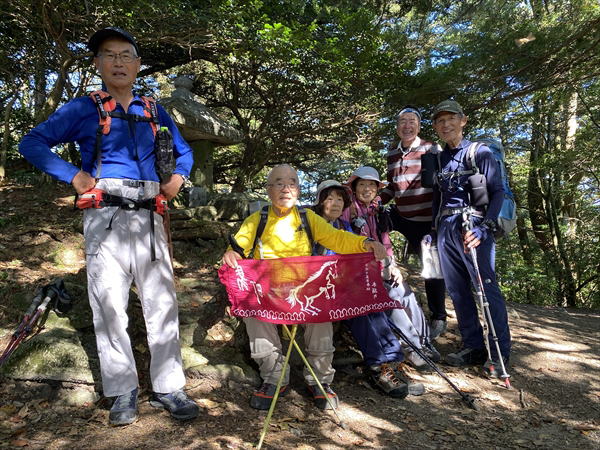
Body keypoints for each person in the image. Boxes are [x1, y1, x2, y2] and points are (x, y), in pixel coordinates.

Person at [19, 27, 199, 426]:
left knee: (162, 302)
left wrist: (177, 179)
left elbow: (184, 152)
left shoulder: (154, 110)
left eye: (125, 55)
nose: (118, 62)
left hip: (150, 213)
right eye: (110, 55)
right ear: (98, 64)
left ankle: (170, 387)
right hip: (105, 214)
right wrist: (73, 175)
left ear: (137, 64)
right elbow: (31, 143)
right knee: (109, 303)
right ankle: (122, 390)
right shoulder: (84, 108)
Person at [222, 165, 387, 411]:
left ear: (298, 190)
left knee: (320, 318)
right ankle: (274, 378)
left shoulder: (308, 218)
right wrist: (232, 253)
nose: (285, 189)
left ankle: (320, 381)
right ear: (269, 190)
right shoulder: (258, 219)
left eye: (291, 183)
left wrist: (366, 243)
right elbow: (238, 246)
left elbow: (337, 239)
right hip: (268, 291)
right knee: (254, 317)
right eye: (279, 183)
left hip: (304, 288)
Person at [312, 180, 425, 399]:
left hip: (348, 286)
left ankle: (394, 362)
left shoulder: (344, 227)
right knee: (359, 312)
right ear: (320, 202)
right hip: (324, 290)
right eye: (329, 198)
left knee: (374, 305)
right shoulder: (312, 226)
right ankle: (377, 367)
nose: (335, 203)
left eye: (340, 199)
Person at [428, 99, 511, 376]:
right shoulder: (438, 159)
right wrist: (433, 231)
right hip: (446, 228)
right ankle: (473, 346)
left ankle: (499, 354)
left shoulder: (479, 152)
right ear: (436, 127)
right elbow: (437, 198)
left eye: (451, 118)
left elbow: (497, 192)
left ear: (463, 121)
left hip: (473, 225)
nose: (446, 124)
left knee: (486, 289)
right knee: (458, 291)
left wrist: (485, 227)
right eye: (440, 121)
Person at [341, 168, 440, 370]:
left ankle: (424, 342)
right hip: (362, 272)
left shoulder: (377, 211)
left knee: (405, 293)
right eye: (362, 184)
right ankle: (413, 348)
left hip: (382, 267)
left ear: (377, 189)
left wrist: (392, 265)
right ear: (354, 188)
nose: (367, 189)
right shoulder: (348, 210)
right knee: (391, 298)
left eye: (371, 185)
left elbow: (385, 242)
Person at [380, 107, 448, 339]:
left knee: (432, 267)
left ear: (418, 126)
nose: (407, 126)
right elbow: (392, 187)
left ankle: (438, 316)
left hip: (426, 221)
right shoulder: (392, 154)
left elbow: (442, 184)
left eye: (412, 121)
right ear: (397, 127)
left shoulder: (432, 149)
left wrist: (440, 219)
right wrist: (374, 201)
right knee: (372, 222)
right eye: (402, 121)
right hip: (402, 215)